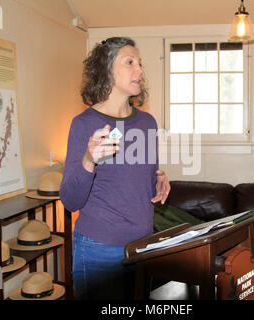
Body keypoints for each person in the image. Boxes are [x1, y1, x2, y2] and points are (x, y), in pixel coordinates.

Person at [59, 37, 170, 300]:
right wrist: (89, 159)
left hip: (143, 247)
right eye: (130, 62)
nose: (140, 70)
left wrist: (159, 180)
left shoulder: (147, 122)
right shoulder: (83, 124)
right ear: (107, 70)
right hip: (99, 250)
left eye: (140, 64)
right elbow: (70, 200)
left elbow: (140, 175)